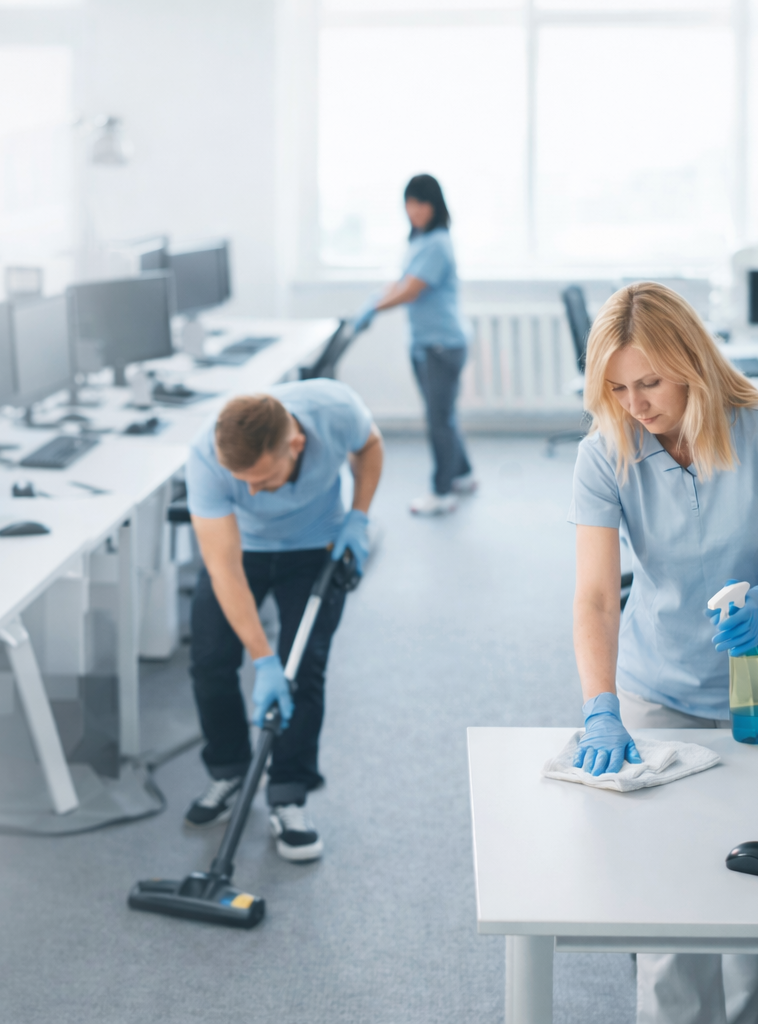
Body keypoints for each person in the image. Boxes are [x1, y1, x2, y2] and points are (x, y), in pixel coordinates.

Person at [567, 283, 758, 1024]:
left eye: (648, 382)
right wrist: (601, 708)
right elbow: (593, 596)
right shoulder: (604, 453)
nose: (634, 404)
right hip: (664, 688)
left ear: (691, 363)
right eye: (616, 388)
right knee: (669, 891)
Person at [183, 380, 383, 861]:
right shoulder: (207, 457)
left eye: (262, 477)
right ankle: (229, 769)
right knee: (210, 659)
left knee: (304, 669)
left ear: (295, 444)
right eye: (243, 480)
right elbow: (224, 568)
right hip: (242, 552)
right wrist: (263, 659)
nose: (250, 491)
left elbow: (370, 445)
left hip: (315, 547)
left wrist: (358, 516)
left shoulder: (334, 409)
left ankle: (287, 794)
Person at [352, 173, 472, 516]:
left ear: (435, 206)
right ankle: (462, 473)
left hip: (441, 345)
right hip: (426, 342)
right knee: (443, 416)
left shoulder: (437, 243)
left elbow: (411, 290)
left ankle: (442, 491)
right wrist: (376, 297)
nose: (413, 210)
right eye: (409, 203)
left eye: (420, 203)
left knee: (439, 420)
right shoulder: (419, 239)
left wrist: (374, 307)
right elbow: (401, 280)